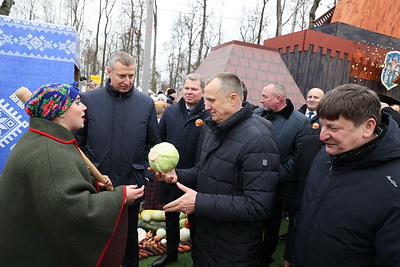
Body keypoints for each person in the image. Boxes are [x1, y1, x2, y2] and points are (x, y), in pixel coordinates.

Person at [0, 83, 145, 266]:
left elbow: (54, 187)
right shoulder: (50, 151)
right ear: (60, 111)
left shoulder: (45, 140)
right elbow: (72, 209)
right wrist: (121, 197)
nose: (84, 107)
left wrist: (92, 182)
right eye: (77, 102)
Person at [153, 72, 280, 266]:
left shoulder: (258, 139)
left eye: (211, 100)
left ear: (233, 99)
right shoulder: (215, 128)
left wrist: (199, 202)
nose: (206, 106)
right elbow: (203, 172)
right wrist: (177, 175)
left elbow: (257, 206)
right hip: (206, 240)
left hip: (232, 249)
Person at [286, 84, 400, 266]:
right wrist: (293, 253)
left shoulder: (393, 187)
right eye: (322, 125)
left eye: (333, 128)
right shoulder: (325, 154)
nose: (322, 136)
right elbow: (305, 214)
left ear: (368, 127)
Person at [74, 51, 160, 267]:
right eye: (122, 76)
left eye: (131, 76)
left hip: (132, 186)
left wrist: (144, 174)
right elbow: (77, 144)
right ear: (109, 72)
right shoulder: (89, 101)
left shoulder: (145, 103)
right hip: (97, 187)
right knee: (96, 241)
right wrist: (90, 174)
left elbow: (153, 145)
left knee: (129, 242)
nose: (127, 81)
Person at [152, 73, 210, 267]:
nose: (189, 92)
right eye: (186, 88)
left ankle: (198, 257)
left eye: (194, 89)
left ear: (202, 91)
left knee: (195, 220)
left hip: (196, 176)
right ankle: (171, 253)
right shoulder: (170, 112)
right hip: (171, 176)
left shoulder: (209, 115)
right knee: (170, 215)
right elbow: (160, 140)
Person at [254, 82, 310, 266]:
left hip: (276, 185)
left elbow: (298, 154)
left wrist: (277, 175)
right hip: (250, 180)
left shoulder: (300, 122)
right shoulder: (255, 114)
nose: (261, 100)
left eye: (265, 97)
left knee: (271, 225)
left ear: (278, 99)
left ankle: (264, 258)